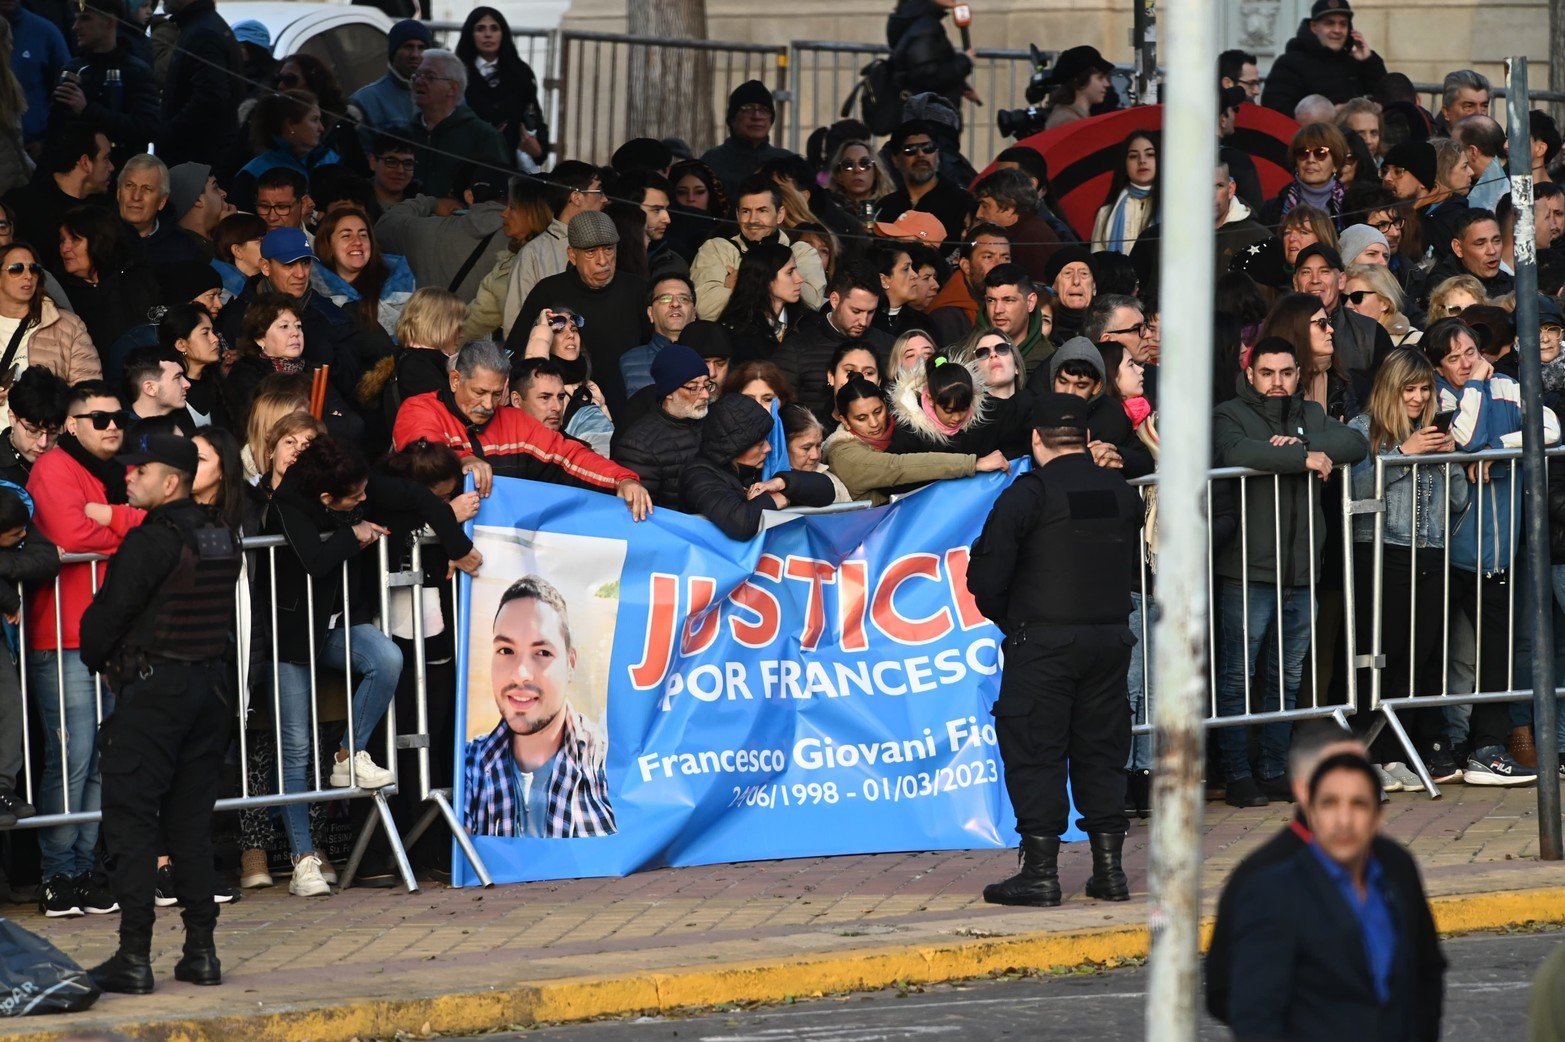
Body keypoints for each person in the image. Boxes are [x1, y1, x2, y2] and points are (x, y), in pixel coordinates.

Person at [254, 436, 477, 896]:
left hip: (339, 624)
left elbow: (416, 497)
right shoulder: (287, 505)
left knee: (387, 657)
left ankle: (347, 755)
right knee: (295, 748)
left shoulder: (355, 482)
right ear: (326, 499)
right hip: (291, 638)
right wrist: (350, 535)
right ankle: (303, 859)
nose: (364, 499)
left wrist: (455, 544)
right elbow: (314, 561)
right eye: (355, 498)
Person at [966, 391, 1143, 907]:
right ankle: (1109, 872)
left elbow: (986, 577)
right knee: (1101, 752)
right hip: (1110, 640)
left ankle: (1040, 874)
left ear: (1036, 439)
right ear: (1087, 440)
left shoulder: (1029, 494)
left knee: (1035, 752)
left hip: (1043, 642)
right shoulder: (1118, 491)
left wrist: (1014, 619)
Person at [76, 433, 238, 993]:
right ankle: (201, 952)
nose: (129, 476)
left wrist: (103, 656)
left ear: (171, 481)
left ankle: (134, 957)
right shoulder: (221, 534)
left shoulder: (152, 542)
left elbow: (104, 621)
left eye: (140, 471)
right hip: (208, 692)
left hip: (155, 694)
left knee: (133, 821)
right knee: (190, 824)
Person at [1207, 723, 1446, 1035]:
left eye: (1360, 798)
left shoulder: (1395, 865)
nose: (1345, 819)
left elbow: (1425, 971)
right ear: (1307, 793)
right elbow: (1239, 1001)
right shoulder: (1263, 881)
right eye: (1332, 798)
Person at [1212, 337, 1368, 807]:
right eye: (1267, 373)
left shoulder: (1311, 415)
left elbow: (1354, 443)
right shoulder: (1229, 412)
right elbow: (1237, 451)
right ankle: (1238, 774)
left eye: (1285, 372)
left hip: (1302, 573)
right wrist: (1302, 457)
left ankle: (1274, 769)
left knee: (1287, 677)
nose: (1277, 382)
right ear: (1250, 372)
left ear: (1298, 373)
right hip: (1247, 571)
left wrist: (1300, 442)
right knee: (1238, 677)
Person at [28, 379, 145, 917]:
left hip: (110, 636)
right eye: (100, 419)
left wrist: (116, 521)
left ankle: (82, 869)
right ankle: (59, 875)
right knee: (72, 759)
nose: (113, 426)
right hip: (65, 636)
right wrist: (129, 527)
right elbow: (72, 535)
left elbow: (164, 519)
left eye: (118, 418)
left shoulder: (116, 471)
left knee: (101, 760)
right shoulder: (54, 467)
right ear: (72, 425)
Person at [1424, 319, 1555, 784]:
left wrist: (1498, 449)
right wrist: (1476, 387)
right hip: (1452, 548)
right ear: (1439, 363)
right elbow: (1463, 438)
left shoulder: (1507, 385)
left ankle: (1486, 744)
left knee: (1496, 653)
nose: (1465, 362)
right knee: (1455, 655)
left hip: (1500, 548)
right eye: (1454, 357)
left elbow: (1551, 429)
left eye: (1471, 352)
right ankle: (1453, 742)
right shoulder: (1437, 392)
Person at [1348, 350, 1466, 785]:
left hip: (1432, 551)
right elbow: (1355, 492)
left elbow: (1457, 503)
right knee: (1381, 654)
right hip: (1382, 550)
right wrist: (1400, 455)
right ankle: (1370, 754)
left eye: (1424, 390)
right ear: (1390, 389)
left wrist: (1451, 459)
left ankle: (1397, 753)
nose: (1418, 399)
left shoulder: (1433, 430)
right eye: (1409, 390)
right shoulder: (1363, 430)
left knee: (1421, 657)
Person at [391, 339, 651, 519]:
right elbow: (423, 450)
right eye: (479, 392)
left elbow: (568, 455)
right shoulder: (421, 408)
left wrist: (622, 479)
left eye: (495, 394)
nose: (487, 404)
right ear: (456, 380)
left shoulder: (514, 421)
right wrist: (462, 458)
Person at [463, 574, 614, 838]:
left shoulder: (608, 760)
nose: (521, 674)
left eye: (542, 653)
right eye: (506, 651)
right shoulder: (467, 765)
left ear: (571, 664)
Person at [508, 211, 647, 414]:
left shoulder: (636, 289)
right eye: (591, 252)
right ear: (572, 255)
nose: (603, 261)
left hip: (631, 407)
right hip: (566, 412)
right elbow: (519, 355)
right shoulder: (548, 292)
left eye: (608, 249)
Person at [822, 376, 1001, 505]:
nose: (874, 423)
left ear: (886, 405)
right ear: (844, 420)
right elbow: (898, 467)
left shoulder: (906, 427)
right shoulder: (844, 454)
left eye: (878, 411)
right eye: (861, 418)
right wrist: (973, 464)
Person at [678, 392, 835, 540]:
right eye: (760, 444)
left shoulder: (761, 466)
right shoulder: (698, 476)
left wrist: (782, 482)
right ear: (734, 448)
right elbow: (740, 524)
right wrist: (773, 500)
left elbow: (826, 489)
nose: (768, 448)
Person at [692, 174, 826, 323]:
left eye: (762, 211)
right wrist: (779, 289)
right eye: (746, 211)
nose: (752, 220)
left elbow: (811, 303)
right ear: (737, 215)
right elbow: (705, 309)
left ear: (780, 214)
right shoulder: (717, 249)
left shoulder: (801, 252)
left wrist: (745, 282)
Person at [379, 167, 510, 308]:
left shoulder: (429, 231)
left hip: (431, 327)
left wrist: (431, 203)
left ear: (470, 196)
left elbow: (384, 225)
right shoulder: (524, 239)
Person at [51, 0, 159, 171]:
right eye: (76, 19)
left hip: (121, 175)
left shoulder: (136, 71)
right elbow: (56, 130)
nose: (76, 27)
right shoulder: (73, 70)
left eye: (85, 19)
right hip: (76, 178)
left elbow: (146, 128)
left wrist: (88, 111)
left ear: (109, 22)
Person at [501, 161, 606, 332]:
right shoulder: (534, 253)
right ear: (576, 197)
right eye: (599, 192)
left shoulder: (608, 246)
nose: (605, 199)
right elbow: (515, 321)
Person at [774, 263, 891, 414]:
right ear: (835, 300)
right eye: (856, 311)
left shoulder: (889, 346)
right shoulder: (796, 349)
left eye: (870, 312)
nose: (863, 321)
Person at [2, 123, 114, 277]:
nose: (111, 167)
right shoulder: (21, 204)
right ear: (85, 162)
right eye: (106, 158)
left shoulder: (103, 209)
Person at [609, 344, 712, 511]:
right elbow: (640, 513)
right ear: (669, 392)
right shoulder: (639, 446)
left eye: (707, 385)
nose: (705, 395)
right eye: (694, 388)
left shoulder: (712, 420)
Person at [400, 49, 509, 202]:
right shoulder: (404, 134)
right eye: (416, 75)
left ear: (453, 88)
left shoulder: (483, 137)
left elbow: (499, 194)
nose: (419, 81)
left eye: (429, 77)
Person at [56, 204, 161, 353]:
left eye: (75, 240)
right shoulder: (59, 293)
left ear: (98, 241)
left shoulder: (135, 280)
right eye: (62, 240)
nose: (64, 248)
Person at [0, 242, 99, 399]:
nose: (28, 276)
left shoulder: (68, 326)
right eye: (17, 269)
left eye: (34, 269)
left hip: (47, 423)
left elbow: (89, 395)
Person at [510, 307, 614, 455]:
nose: (570, 335)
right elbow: (534, 370)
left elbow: (608, 445)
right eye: (558, 331)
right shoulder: (527, 380)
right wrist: (542, 330)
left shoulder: (592, 389)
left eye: (574, 329)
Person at [456, 8, 548, 169]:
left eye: (494, 28)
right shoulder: (457, 71)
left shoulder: (520, 72)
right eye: (480, 29)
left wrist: (539, 150)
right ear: (470, 34)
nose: (488, 35)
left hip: (509, 162)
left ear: (503, 33)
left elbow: (534, 115)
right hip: (467, 161)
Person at [156, 0, 243, 167]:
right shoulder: (201, 27)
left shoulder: (203, 33)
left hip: (197, 161)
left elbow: (210, 98)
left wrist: (167, 133)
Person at [1261, 0, 1386, 115]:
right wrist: (1328, 114)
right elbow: (1275, 110)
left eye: (1343, 24)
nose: (1337, 30)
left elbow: (1385, 97)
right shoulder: (1289, 64)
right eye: (1329, 23)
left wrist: (1368, 60)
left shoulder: (1356, 62)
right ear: (1314, 27)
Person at [310, 206, 414, 343]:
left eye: (363, 235)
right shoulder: (312, 289)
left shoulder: (397, 284)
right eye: (346, 236)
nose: (357, 242)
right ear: (328, 246)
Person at [228, 90, 340, 213]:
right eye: (314, 120)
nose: (321, 128)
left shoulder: (331, 160)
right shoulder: (253, 173)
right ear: (291, 125)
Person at [873, 120, 975, 251]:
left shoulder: (962, 202)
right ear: (895, 160)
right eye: (910, 149)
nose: (920, 154)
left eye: (928, 148)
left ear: (937, 154)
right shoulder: (885, 206)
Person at [699, 80, 792, 196]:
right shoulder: (711, 163)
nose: (757, 116)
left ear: (771, 120)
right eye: (747, 108)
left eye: (764, 109)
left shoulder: (787, 162)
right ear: (732, 119)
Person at [886, 0, 976, 117]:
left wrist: (960, 86)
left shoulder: (916, 20)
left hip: (927, 114)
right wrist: (965, 60)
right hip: (930, 119)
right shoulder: (925, 26)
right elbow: (928, 76)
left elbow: (926, 65)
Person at [969, 168, 1061, 283]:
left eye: (985, 206)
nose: (979, 214)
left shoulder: (1030, 237)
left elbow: (1036, 291)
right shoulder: (1024, 231)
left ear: (1009, 207)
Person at [926, 225, 1012, 345]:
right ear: (966, 266)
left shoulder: (1015, 304)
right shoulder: (947, 315)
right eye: (988, 257)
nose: (999, 265)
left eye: (1005, 257)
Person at [1259, 122, 1350, 228]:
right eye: (1303, 153)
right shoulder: (1272, 209)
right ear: (1296, 163)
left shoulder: (1352, 205)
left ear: (1336, 163)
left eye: (1320, 153)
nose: (1311, 160)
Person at [349, 19, 432, 135]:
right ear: (393, 52)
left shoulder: (444, 95)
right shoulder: (365, 100)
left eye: (421, 48)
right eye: (408, 47)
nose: (415, 55)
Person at [619, 274, 695, 399]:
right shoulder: (627, 363)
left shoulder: (711, 360)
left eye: (684, 298)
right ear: (650, 313)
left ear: (694, 313)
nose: (675, 303)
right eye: (665, 298)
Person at [980, 264, 1054, 379]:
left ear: (1030, 303)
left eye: (1008, 300)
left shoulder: (1049, 362)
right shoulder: (965, 353)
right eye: (991, 300)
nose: (998, 310)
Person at [1091, 132, 1159, 255]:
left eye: (1150, 154)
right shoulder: (1106, 213)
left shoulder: (1175, 209)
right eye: (1133, 156)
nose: (1142, 161)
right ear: (1124, 165)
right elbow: (1098, 263)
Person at [1426, 207, 1514, 300]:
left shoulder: (1512, 284)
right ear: (1458, 248)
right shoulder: (1442, 286)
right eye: (1480, 243)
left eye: (1496, 241)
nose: (1492, 251)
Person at [0, 365, 66, 486]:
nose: (43, 443)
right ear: (12, 418)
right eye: (33, 430)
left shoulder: (67, 463)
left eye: (52, 432)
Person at [782, 404, 850, 502]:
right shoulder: (766, 485)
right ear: (783, 447)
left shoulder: (831, 479)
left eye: (818, 446)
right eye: (806, 448)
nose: (816, 456)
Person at [1344, 263, 1421, 348]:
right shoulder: (1338, 338)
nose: (1347, 305)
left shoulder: (1413, 342)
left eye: (1356, 297)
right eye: (1343, 298)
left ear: (1384, 303)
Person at [122, 345, 192, 434]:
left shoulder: (182, 419)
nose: (187, 384)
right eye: (177, 378)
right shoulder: (124, 437)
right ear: (150, 388)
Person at [827, 139, 895, 230]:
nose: (857, 170)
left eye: (864, 163)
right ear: (839, 175)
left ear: (876, 172)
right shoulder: (829, 211)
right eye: (848, 164)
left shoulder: (892, 208)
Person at [1041, 45, 1114, 130]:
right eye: (1100, 78)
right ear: (1080, 80)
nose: (1107, 84)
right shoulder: (1067, 121)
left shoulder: (1076, 116)